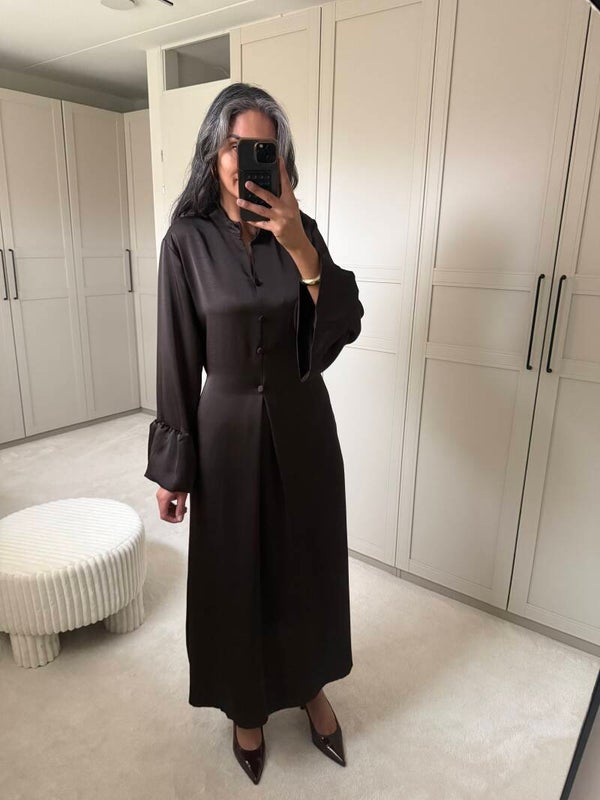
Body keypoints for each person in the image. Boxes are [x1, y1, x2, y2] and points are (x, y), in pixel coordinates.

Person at [144, 82, 364, 784]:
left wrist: (299, 246)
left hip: (304, 423)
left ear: (282, 159)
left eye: (265, 148)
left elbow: (341, 325)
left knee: (307, 561)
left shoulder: (299, 228)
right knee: (235, 571)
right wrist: (173, 469)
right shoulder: (186, 241)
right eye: (238, 145)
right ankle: (246, 705)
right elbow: (177, 356)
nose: (249, 159)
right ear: (214, 152)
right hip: (228, 433)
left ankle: (310, 686)